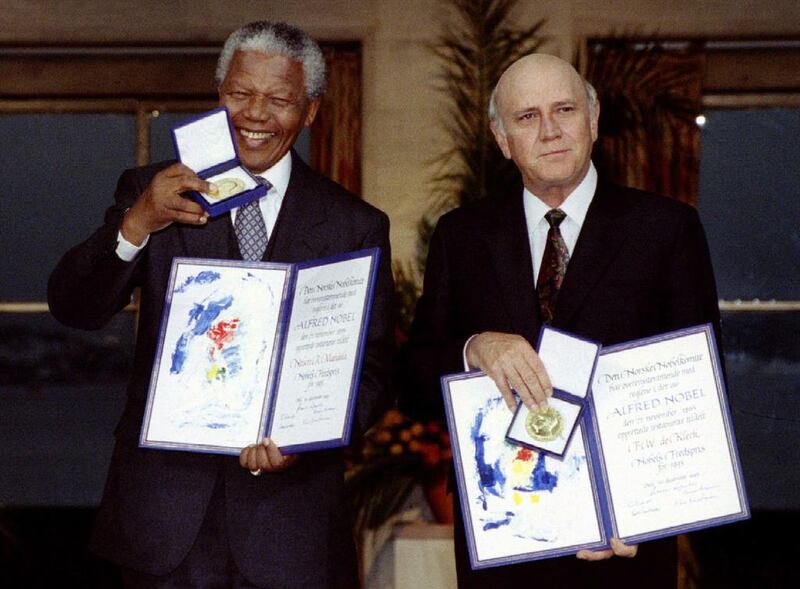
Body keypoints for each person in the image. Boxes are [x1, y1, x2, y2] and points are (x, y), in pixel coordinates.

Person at [48, 21, 394, 589]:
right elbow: (73, 306)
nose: (255, 114)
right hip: (160, 527)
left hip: (291, 529)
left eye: (279, 99)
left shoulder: (355, 225)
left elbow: (375, 371)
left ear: (309, 111)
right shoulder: (154, 190)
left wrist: (304, 437)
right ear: (218, 94)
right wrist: (138, 222)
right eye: (240, 94)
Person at [403, 53, 721, 588]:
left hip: (625, 550)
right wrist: (474, 348)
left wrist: (644, 508)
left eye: (565, 110)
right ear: (501, 139)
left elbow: (702, 394)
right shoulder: (461, 236)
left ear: (593, 120)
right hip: (505, 549)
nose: (550, 131)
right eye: (527, 117)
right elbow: (413, 384)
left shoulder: (667, 230)